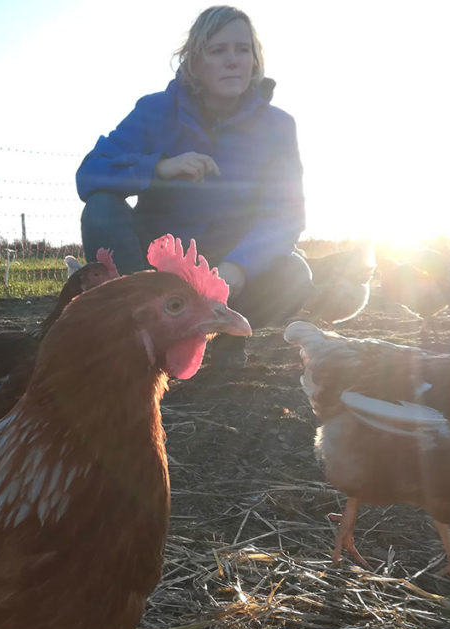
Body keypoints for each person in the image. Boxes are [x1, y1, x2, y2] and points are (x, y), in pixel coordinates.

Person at [75, 5, 313, 366]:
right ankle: (133, 332)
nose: (232, 60)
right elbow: (90, 173)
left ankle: (224, 341)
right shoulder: (155, 111)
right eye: (218, 51)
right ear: (194, 62)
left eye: (242, 49)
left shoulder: (278, 126)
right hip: (156, 256)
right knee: (101, 208)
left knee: (295, 274)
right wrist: (158, 168)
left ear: (254, 60)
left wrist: (240, 266)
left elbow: (286, 214)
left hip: (227, 261)